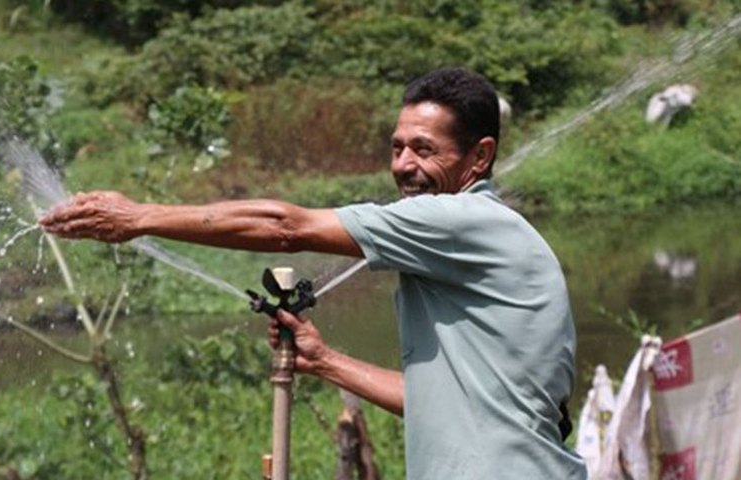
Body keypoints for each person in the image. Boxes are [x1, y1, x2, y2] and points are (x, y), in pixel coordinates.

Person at [40, 67, 587, 479]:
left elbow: (285, 226)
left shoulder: (461, 219)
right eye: (397, 148)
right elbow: (442, 401)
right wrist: (324, 362)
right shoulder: (464, 240)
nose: (403, 166)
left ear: (480, 157)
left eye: (425, 149)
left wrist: (140, 218)